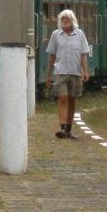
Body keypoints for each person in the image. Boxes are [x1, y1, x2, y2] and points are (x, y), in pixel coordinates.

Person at [45, 9, 90, 139]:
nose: (65, 21)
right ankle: (63, 128)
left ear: (72, 21)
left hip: (75, 72)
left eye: (67, 19)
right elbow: (52, 55)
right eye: (63, 19)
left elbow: (83, 54)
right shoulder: (56, 35)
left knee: (72, 99)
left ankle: (69, 129)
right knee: (62, 98)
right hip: (60, 72)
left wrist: (85, 70)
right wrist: (48, 75)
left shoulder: (80, 35)